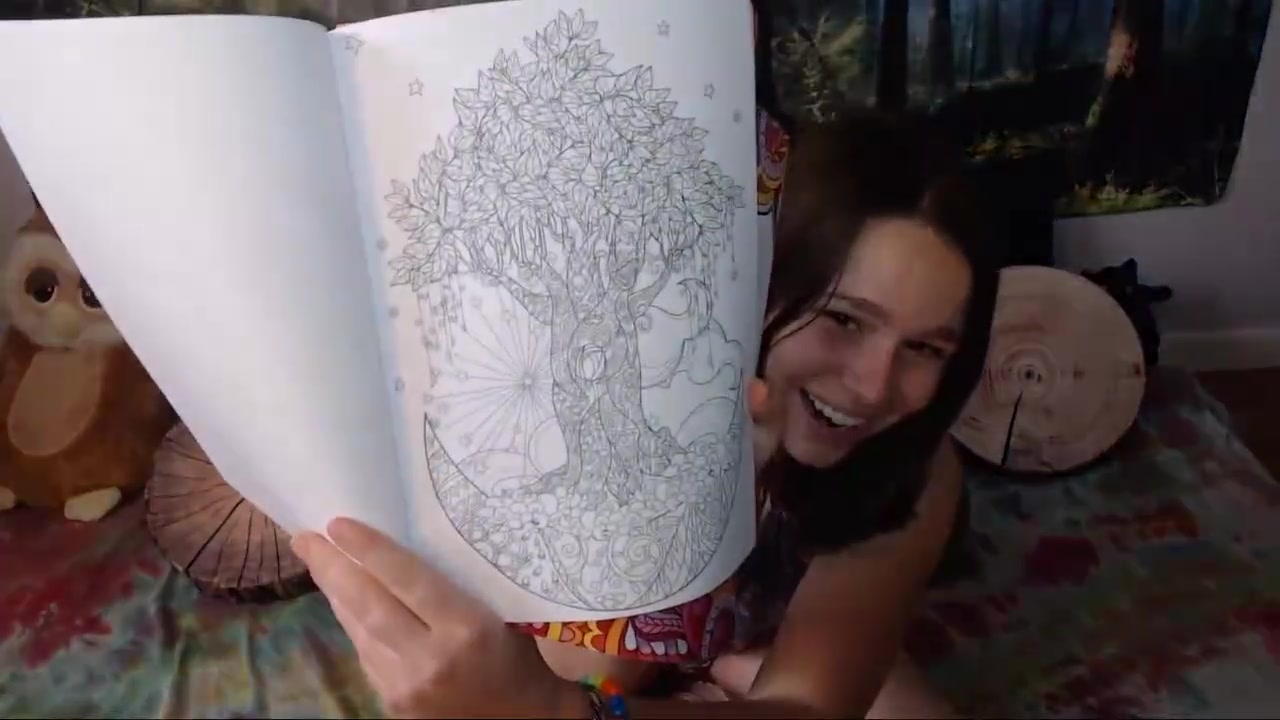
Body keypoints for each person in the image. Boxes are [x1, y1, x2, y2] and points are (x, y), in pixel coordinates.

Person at [290, 110, 1000, 719]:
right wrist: (697, 502)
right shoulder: (643, 384)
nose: (874, 386)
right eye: (844, 319)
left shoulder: (914, 466)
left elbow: (812, 706)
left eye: (924, 348)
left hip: (759, 639)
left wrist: (563, 710)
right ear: (763, 283)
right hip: (626, 643)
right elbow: (580, 672)